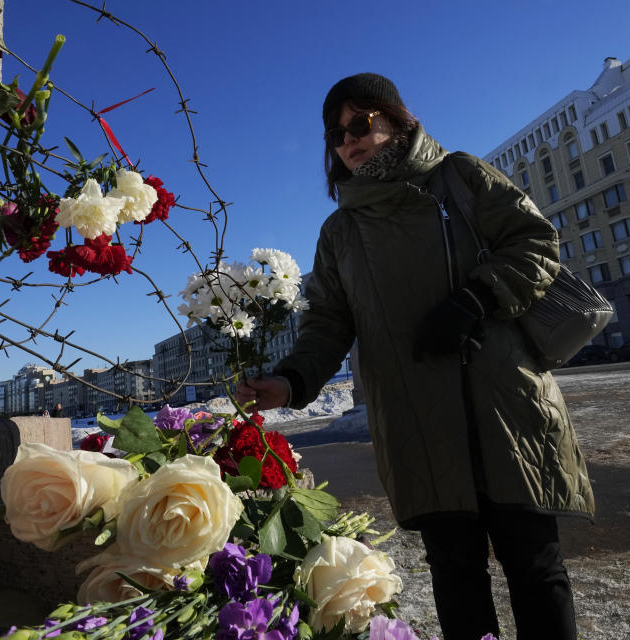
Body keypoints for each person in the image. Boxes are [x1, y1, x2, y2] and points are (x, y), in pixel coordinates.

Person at [235, 73, 594, 640]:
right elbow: (328, 323)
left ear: (399, 119)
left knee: (537, 568)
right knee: (456, 575)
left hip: (506, 405)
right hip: (418, 423)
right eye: (336, 133)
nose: (349, 140)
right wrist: (290, 380)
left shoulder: (460, 177)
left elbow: (534, 240)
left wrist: (476, 297)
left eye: (361, 123)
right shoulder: (340, 232)